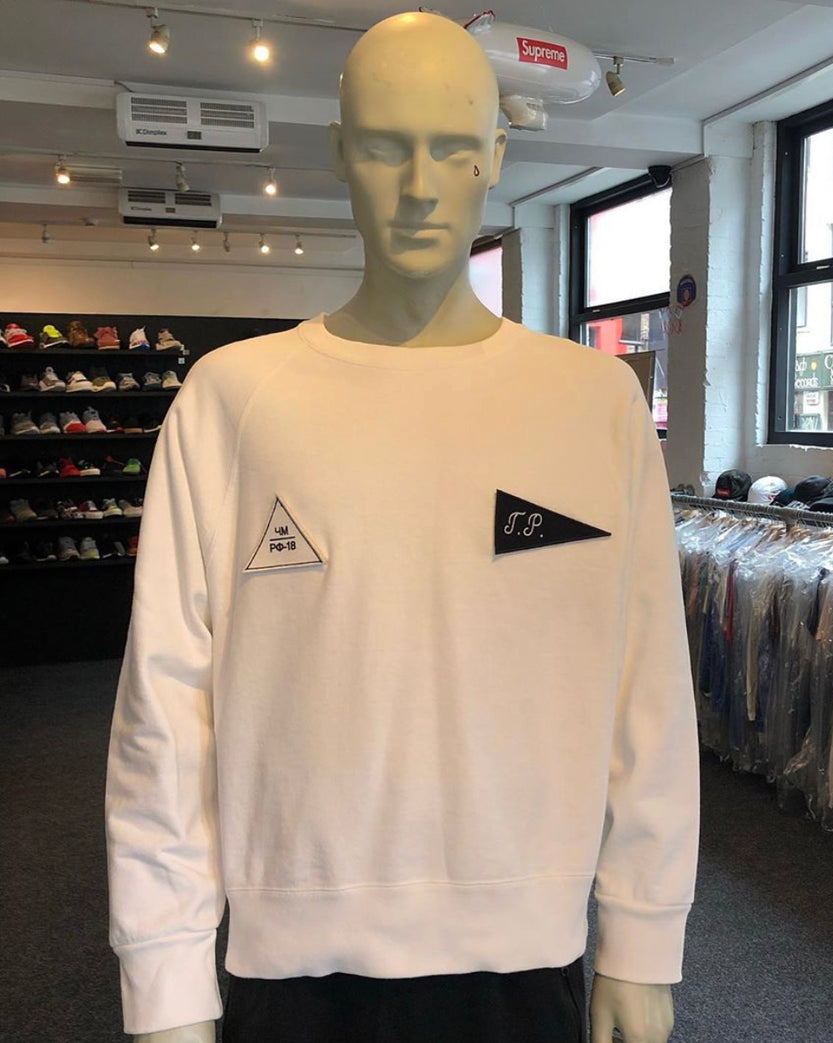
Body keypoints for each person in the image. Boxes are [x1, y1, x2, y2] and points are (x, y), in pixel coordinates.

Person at [105, 12, 700, 1043]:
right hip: (296, 958)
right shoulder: (233, 398)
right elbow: (164, 705)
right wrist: (163, 972)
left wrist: (644, 934)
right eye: (385, 147)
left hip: (526, 951)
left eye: (452, 147)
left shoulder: (593, 402)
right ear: (340, 152)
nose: (420, 185)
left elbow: (647, 686)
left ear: (496, 156)